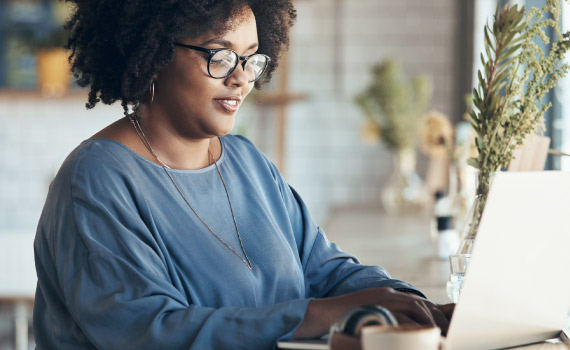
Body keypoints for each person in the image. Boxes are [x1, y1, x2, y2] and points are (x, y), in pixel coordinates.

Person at [33, 0, 454, 349]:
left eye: (251, 59)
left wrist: (414, 304)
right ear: (154, 54)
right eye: (219, 55)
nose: (241, 79)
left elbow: (327, 270)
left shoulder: (247, 162)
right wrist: (318, 314)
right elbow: (149, 332)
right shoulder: (96, 180)